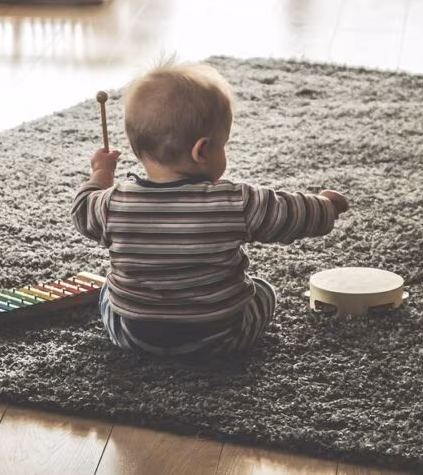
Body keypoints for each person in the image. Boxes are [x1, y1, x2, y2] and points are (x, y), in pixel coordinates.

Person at [72, 62, 350, 357]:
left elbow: (81, 210)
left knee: (107, 290)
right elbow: (290, 214)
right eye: (223, 145)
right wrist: (327, 206)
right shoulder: (236, 202)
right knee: (264, 290)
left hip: (135, 336)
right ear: (202, 151)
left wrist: (101, 173)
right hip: (221, 336)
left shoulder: (111, 204)